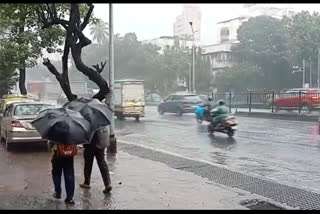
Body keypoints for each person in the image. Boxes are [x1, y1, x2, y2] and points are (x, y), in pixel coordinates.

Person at [79, 126, 112, 194]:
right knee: (102, 163)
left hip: (90, 144)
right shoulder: (100, 121)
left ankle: (87, 182)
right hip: (100, 143)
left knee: (88, 163)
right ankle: (107, 184)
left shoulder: (88, 120)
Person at [49, 141, 77, 205]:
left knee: (56, 174)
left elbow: (50, 145)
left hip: (57, 155)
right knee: (69, 175)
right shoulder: (72, 132)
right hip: (69, 155)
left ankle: (58, 193)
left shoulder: (54, 132)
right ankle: (69, 198)